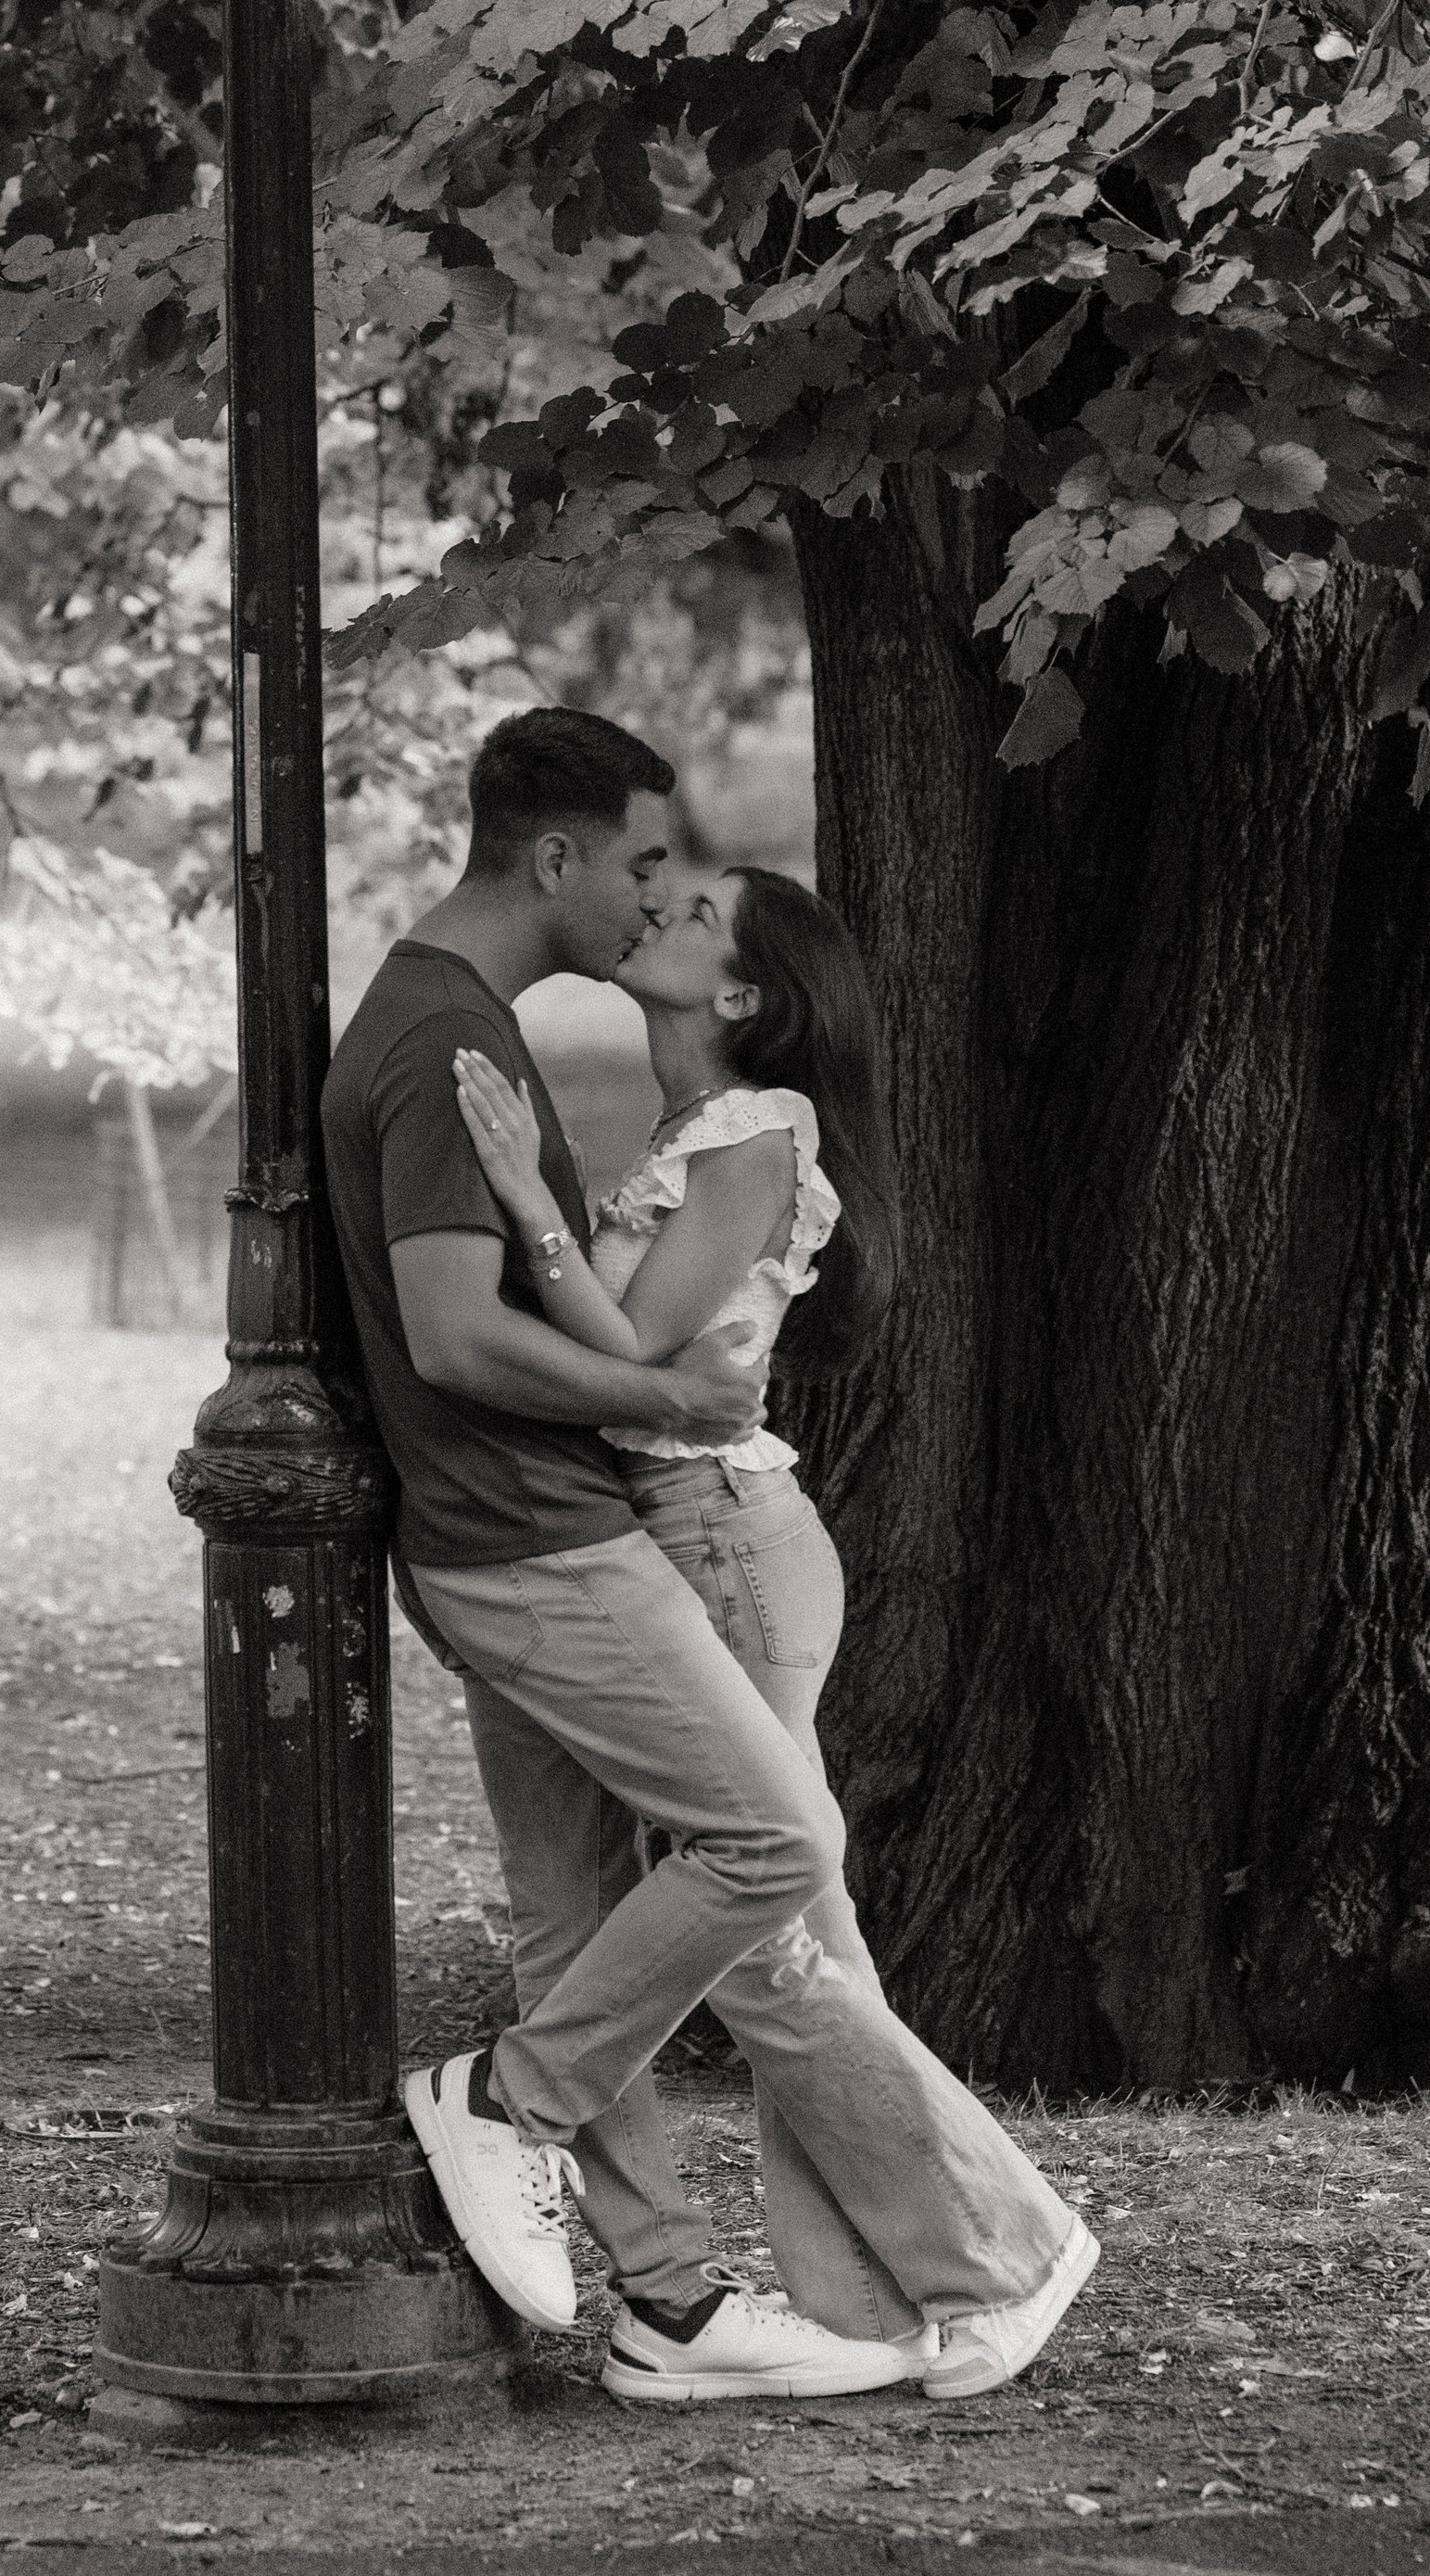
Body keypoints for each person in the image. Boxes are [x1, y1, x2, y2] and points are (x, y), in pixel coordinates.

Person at [320, 706, 1095, 2406]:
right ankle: (687, 2293)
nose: (657, 899)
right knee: (667, 1915)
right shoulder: (473, 1049)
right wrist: (611, 1313)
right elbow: (523, 1340)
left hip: (689, 1534)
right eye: (649, 867)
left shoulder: (717, 1123)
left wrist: (619, 1328)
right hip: (572, 1530)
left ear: (746, 994)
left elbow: (632, 1356)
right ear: (560, 857)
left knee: (772, 1904)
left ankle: (953, 2261)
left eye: (688, 896)